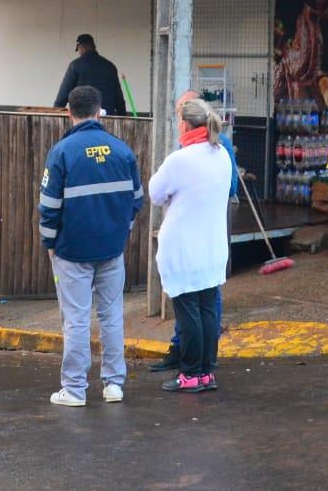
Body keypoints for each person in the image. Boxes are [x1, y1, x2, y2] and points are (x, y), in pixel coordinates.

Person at [39, 85, 144, 407]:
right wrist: (120, 231)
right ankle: (114, 385)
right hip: (112, 250)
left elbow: (49, 206)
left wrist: (50, 243)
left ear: (68, 111)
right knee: (112, 315)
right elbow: (136, 201)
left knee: (76, 319)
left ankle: (74, 390)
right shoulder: (122, 150)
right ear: (100, 111)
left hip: (72, 252)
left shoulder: (62, 152)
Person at [148, 97, 233, 394]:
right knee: (208, 308)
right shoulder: (221, 154)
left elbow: (155, 193)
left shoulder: (179, 160)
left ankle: (191, 374)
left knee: (188, 313)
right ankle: (207, 371)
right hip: (212, 247)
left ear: (184, 124)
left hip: (183, 248)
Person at [54, 34, 127, 117]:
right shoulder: (110, 67)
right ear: (93, 47)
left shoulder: (75, 65)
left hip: (83, 118)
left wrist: (55, 113)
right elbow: (119, 99)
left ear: (81, 47)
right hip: (108, 119)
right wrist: (123, 117)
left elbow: (63, 96)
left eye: (78, 50)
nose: (79, 53)